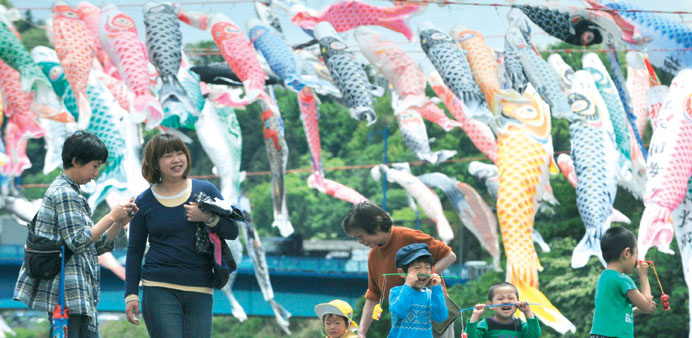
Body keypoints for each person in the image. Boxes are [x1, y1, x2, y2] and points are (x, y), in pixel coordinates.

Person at [14, 131, 137, 337]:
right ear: (76, 161)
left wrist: (119, 221)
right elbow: (79, 241)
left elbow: (94, 246)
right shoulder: (64, 193)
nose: (96, 173)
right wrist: (110, 216)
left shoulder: (72, 193)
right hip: (67, 295)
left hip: (78, 296)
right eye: (95, 166)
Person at [124, 134, 238, 338]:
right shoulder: (145, 200)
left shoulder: (205, 190)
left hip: (200, 288)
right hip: (159, 287)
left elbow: (232, 231)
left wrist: (207, 218)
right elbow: (134, 251)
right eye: (168, 156)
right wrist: (131, 294)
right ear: (155, 163)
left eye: (180, 153)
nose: (177, 160)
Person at [341, 201, 457, 338]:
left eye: (360, 236)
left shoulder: (408, 236)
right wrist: (361, 332)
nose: (360, 241)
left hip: (433, 313)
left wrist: (423, 278)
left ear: (376, 226)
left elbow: (449, 256)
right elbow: (374, 295)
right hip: (404, 323)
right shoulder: (374, 255)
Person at [590, 227, 656, 338]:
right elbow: (647, 306)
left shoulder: (604, 278)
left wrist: (636, 310)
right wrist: (643, 276)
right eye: (636, 253)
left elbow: (616, 314)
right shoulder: (622, 279)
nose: (637, 259)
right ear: (626, 253)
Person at [388, 243, 448, 338]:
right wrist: (408, 286)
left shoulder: (430, 294)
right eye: (417, 268)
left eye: (428, 268)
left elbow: (440, 317)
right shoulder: (396, 292)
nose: (423, 272)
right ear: (402, 272)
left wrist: (437, 289)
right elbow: (400, 312)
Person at [465, 282, 541, 338]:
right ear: (490, 305)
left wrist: (527, 312)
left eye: (510, 298)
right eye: (500, 298)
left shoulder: (520, 325)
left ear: (518, 302)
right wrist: (475, 316)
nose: (505, 301)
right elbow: (469, 337)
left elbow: (535, 335)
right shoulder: (486, 325)